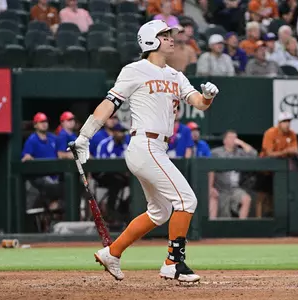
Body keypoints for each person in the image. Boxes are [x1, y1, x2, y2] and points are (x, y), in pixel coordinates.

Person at [72, 20, 219, 282]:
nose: (172, 39)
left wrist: (207, 97)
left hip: (158, 147)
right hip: (144, 145)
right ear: (151, 39)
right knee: (187, 200)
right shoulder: (135, 69)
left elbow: (197, 102)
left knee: (160, 212)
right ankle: (173, 263)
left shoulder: (176, 75)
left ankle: (112, 253)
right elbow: (110, 104)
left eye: (171, 35)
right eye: (165, 35)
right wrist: (85, 135)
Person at [255, 111, 298, 218]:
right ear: (279, 123)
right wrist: (286, 151)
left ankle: (274, 222)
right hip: (265, 169)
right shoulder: (270, 133)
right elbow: (269, 153)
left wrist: (288, 152)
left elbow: (296, 151)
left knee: (276, 198)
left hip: (280, 171)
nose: (287, 124)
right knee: (261, 197)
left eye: (289, 121)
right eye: (284, 121)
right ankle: (258, 223)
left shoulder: (292, 134)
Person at [210, 130, 256, 219]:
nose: (234, 140)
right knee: (224, 216)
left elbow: (253, 154)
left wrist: (241, 143)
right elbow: (210, 170)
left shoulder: (239, 152)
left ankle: (241, 227)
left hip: (235, 188)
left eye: (235, 137)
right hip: (221, 189)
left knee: (246, 199)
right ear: (225, 140)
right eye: (231, 137)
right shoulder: (216, 153)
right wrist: (211, 187)